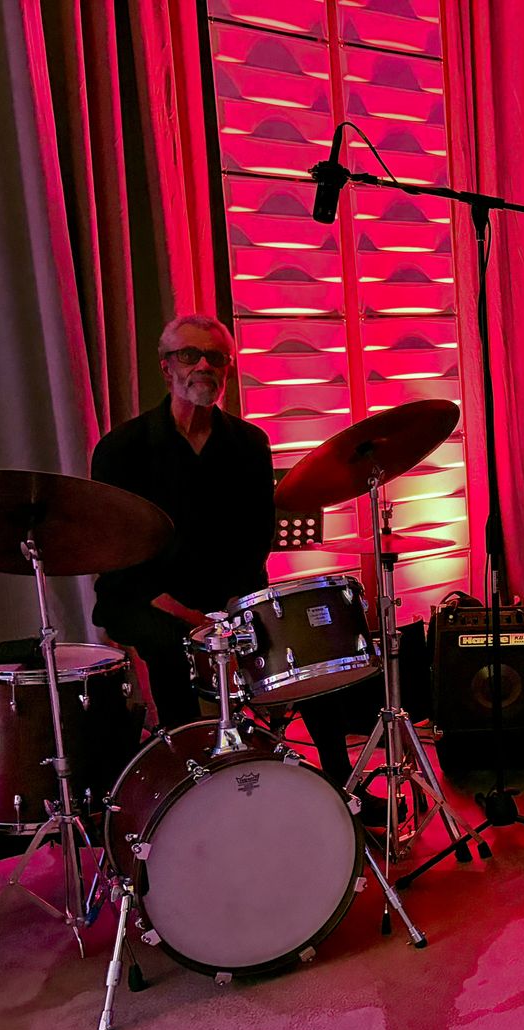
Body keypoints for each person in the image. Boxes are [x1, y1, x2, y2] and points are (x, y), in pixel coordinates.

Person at [91, 314, 357, 787]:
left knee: (304, 642)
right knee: (168, 650)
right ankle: (191, 783)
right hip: (147, 596)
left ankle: (341, 784)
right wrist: (194, 619)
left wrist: (235, 609)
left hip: (229, 595)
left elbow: (256, 537)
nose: (203, 366)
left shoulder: (249, 444)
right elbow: (117, 551)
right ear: (166, 367)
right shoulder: (122, 448)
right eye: (189, 355)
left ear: (228, 369)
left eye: (215, 357)